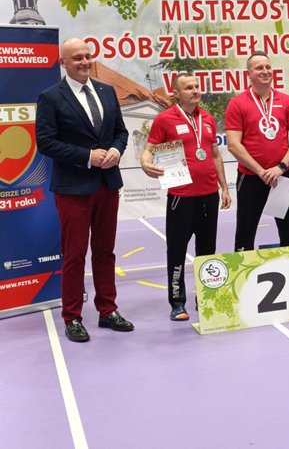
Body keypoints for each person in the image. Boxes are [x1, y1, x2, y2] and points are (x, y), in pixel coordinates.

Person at [35, 38, 133, 342]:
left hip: (107, 184)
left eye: (87, 56)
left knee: (105, 251)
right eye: (77, 57)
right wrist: (87, 156)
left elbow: (121, 132)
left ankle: (108, 310)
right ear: (63, 63)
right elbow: (45, 143)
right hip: (73, 189)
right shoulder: (50, 97)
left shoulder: (106, 91)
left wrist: (116, 150)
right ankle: (72, 317)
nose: (84, 62)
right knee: (74, 255)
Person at [140, 74, 231, 321]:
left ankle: (206, 296)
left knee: (207, 249)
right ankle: (177, 302)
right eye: (188, 88)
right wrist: (145, 163)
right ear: (176, 94)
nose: (195, 90)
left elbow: (214, 155)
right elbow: (148, 150)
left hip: (209, 195)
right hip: (181, 197)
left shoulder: (208, 119)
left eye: (196, 86)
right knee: (177, 249)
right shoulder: (164, 119)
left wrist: (224, 187)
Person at [225, 51, 289, 301]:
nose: (265, 71)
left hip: (281, 177)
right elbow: (233, 144)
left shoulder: (285, 101)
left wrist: (280, 167)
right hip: (251, 178)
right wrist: (260, 170)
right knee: (246, 232)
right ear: (249, 74)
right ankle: (242, 284)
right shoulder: (238, 103)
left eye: (267, 67)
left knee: (288, 231)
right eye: (259, 68)